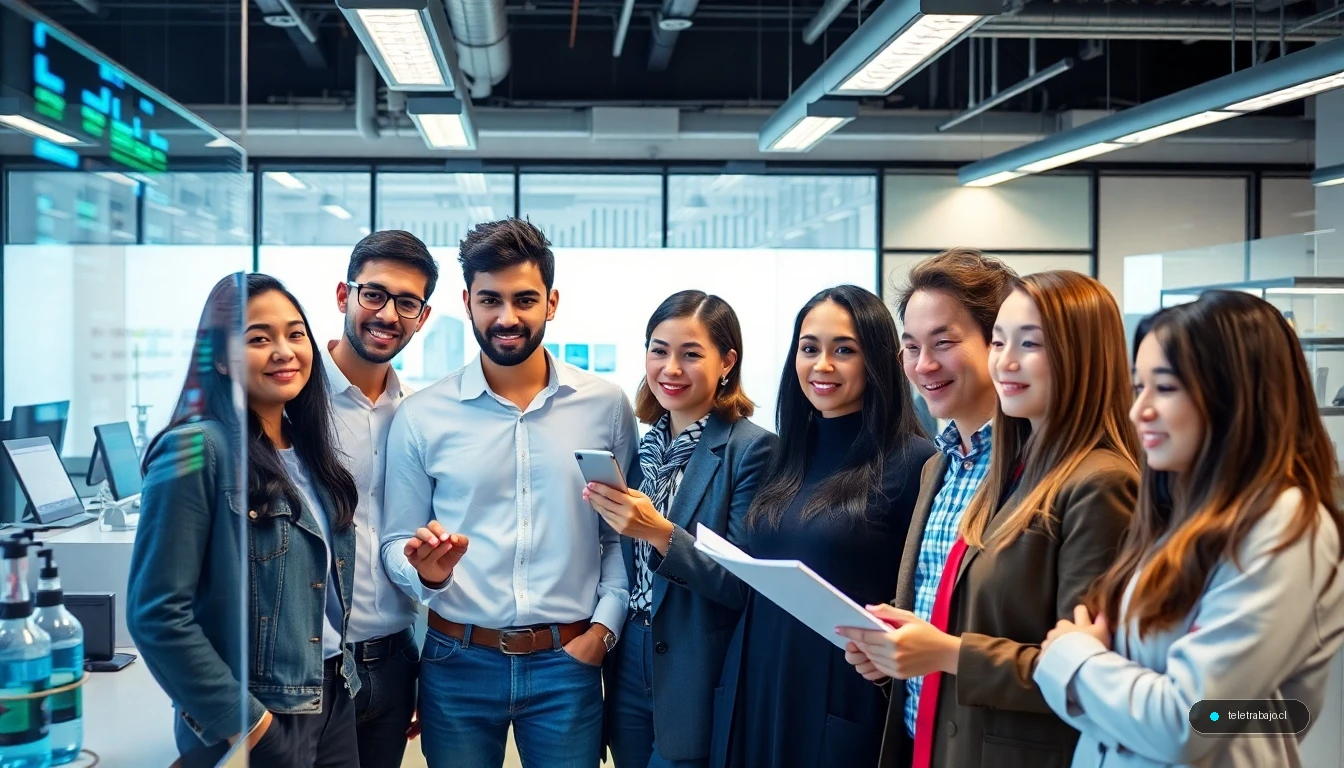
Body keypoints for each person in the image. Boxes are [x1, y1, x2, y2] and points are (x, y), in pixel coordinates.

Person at [839, 270, 1139, 768]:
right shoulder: (953, 465)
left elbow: (1089, 675)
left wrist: (945, 651)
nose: (1007, 361)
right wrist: (897, 643)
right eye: (1001, 342)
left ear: (1080, 356)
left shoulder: (1098, 481)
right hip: (928, 742)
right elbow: (966, 608)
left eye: (1030, 343)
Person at [1035, 290, 1344, 767]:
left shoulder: (1284, 525)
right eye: (1138, 387)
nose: (1139, 410)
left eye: (1165, 387)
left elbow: (1193, 721)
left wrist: (1074, 660)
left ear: (1235, 395)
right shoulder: (1181, 515)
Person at [380, 218, 638, 768]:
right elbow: (394, 541)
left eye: (524, 299)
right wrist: (426, 572)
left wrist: (603, 630)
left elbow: (620, 535)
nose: (506, 317)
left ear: (551, 303)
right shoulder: (422, 415)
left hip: (568, 662)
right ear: (467, 303)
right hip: (457, 661)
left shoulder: (606, 406)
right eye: (490, 300)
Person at [127, 273, 361, 767]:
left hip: (331, 694)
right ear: (218, 358)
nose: (284, 351)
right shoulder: (196, 449)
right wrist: (250, 724)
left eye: (295, 334)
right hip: (261, 713)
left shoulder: (308, 451)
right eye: (258, 339)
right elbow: (156, 613)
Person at [709, 285, 936, 768]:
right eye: (809, 348)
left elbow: (922, 600)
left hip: (840, 695)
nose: (822, 365)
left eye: (844, 351)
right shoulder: (784, 452)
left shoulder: (914, 462)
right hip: (756, 685)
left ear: (878, 360)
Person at [584, 291, 775, 768]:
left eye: (691, 354)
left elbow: (742, 582)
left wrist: (659, 532)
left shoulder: (752, 450)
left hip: (697, 664)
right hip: (628, 654)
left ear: (727, 362)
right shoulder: (641, 449)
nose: (670, 368)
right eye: (659, 350)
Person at [848, 249, 1017, 768]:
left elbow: (1076, 667)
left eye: (944, 343)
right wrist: (892, 652)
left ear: (998, 344)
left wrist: (942, 651)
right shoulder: (937, 468)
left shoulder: (1041, 474)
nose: (924, 365)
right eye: (912, 347)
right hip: (918, 743)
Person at [324, 230, 438, 767]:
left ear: (423, 316)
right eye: (374, 294)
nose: (388, 314)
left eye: (407, 303)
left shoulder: (419, 414)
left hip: (395, 661)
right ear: (343, 295)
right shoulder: (291, 400)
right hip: (312, 667)